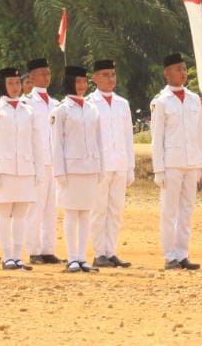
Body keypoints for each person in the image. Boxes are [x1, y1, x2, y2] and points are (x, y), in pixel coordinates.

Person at [151, 52, 202, 270]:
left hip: (191, 162)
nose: (183, 73)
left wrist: (200, 164)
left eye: (184, 69)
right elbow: (157, 138)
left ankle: (183, 253)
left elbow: (199, 133)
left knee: (187, 210)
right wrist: (159, 169)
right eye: (178, 69)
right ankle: (170, 256)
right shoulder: (161, 101)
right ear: (167, 73)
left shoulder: (194, 99)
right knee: (169, 211)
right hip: (172, 163)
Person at [0, 67, 41, 271]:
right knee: (4, 212)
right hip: (4, 168)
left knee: (21, 214)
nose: (15, 87)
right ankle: (7, 256)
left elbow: (35, 141)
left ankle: (18, 256)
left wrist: (37, 169)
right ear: (3, 85)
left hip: (25, 168)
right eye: (10, 83)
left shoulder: (28, 109)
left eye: (17, 83)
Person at [52, 65, 101, 273]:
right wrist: (59, 172)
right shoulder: (61, 110)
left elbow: (98, 141)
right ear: (70, 82)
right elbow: (56, 143)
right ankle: (72, 257)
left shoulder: (92, 109)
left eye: (84, 81)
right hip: (70, 169)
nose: (82, 86)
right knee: (72, 213)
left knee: (86, 214)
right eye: (78, 81)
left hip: (90, 167)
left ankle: (82, 257)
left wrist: (99, 168)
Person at [88, 59, 135, 269]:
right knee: (99, 210)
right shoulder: (90, 103)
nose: (110, 78)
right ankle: (99, 253)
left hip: (120, 162)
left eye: (113, 74)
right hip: (101, 165)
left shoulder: (122, 103)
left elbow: (128, 137)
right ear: (94, 77)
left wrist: (130, 166)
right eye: (105, 74)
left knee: (115, 210)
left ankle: (111, 251)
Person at [23, 57, 61, 266]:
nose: (47, 77)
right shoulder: (27, 103)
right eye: (42, 74)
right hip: (36, 161)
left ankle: (48, 249)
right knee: (35, 208)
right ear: (32, 77)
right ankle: (33, 249)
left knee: (50, 208)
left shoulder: (55, 104)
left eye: (48, 73)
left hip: (53, 161)